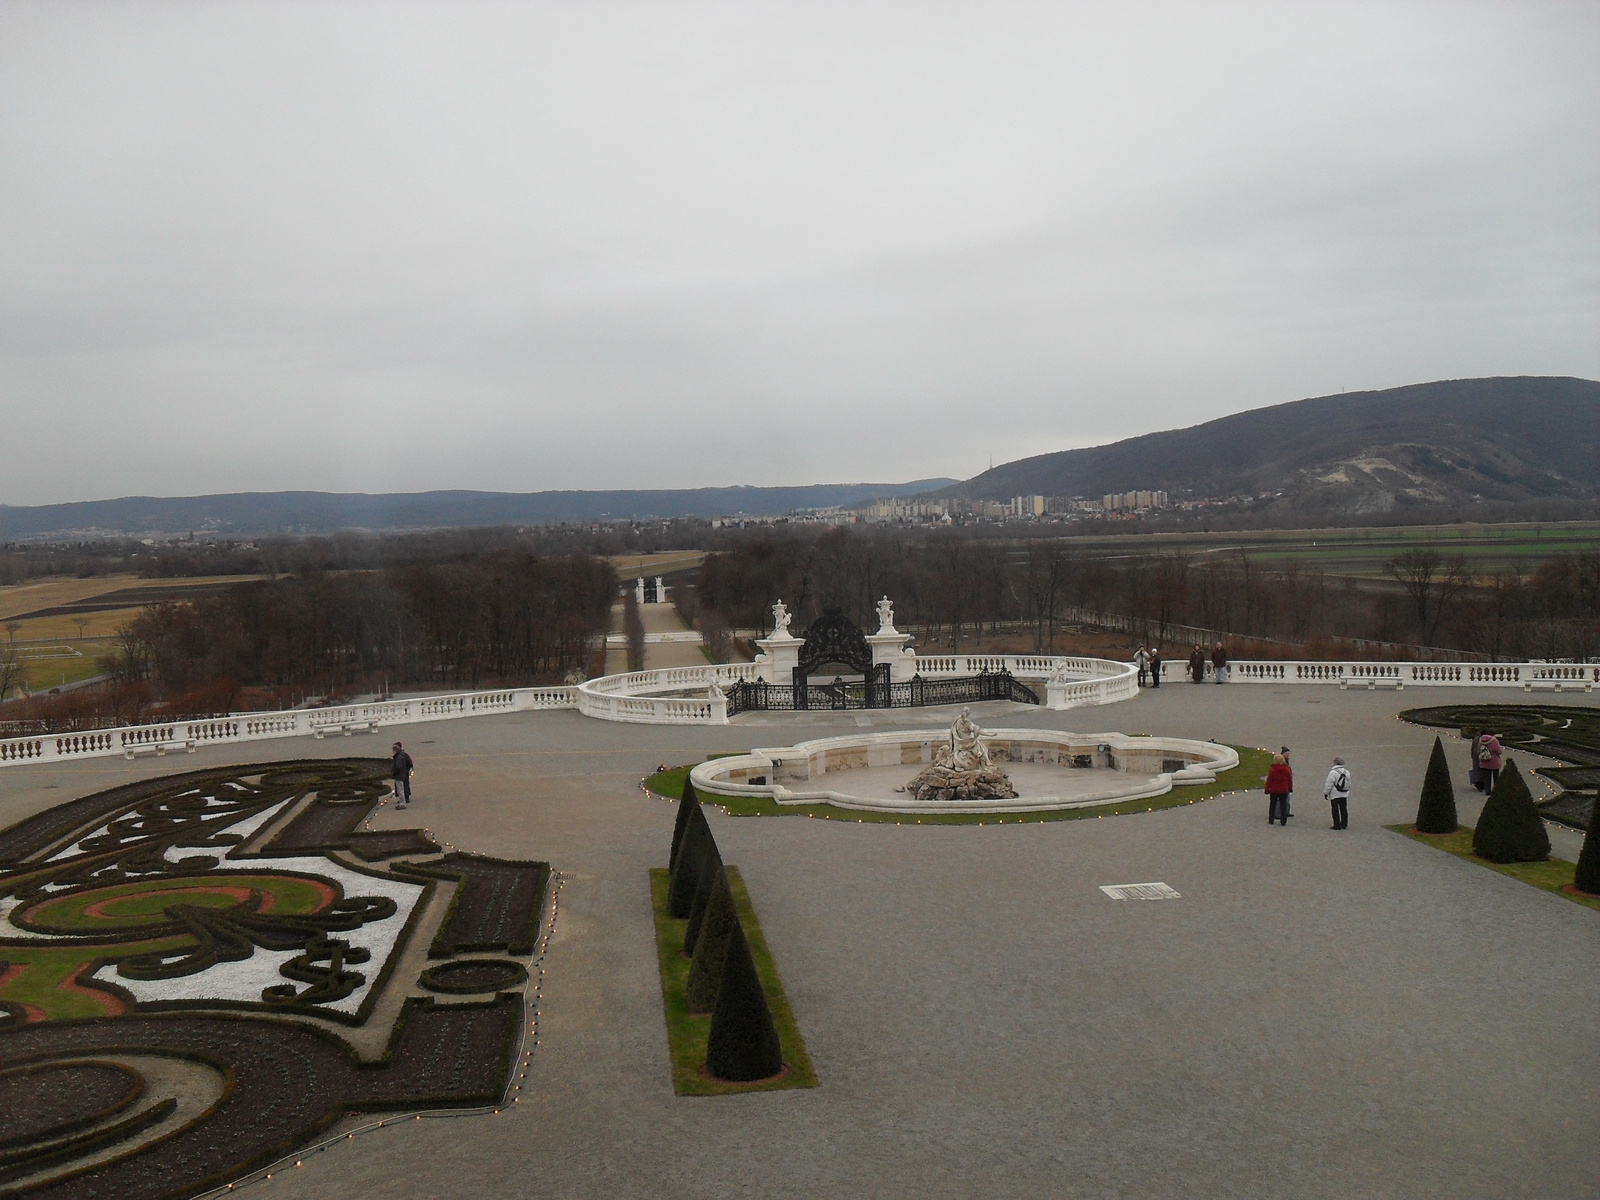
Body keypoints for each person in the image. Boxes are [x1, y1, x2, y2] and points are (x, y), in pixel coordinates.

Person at [1324, 757, 1352, 830]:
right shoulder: (1347, 772)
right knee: (1344, 809)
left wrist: (1326, 793)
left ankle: (1336, 824)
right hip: (1344, 793)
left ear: (1335, 763)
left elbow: (1329, 784)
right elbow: (1349, 782)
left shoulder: (1333, 772)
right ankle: (1344, 824)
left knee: (1335, 809)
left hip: (1335, 794)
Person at [1265, 753, 1292, 825]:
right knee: (1283, 805)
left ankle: (1271, 820)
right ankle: (1283, 821)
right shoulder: (1286, 769)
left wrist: (1267, 789)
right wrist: (1290, 788)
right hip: (1284, 790)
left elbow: (1269, 780)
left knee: (1272, 805)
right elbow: (1289, 779)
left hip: (1274, 790)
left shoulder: (1273, 769)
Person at [391, 741, 415, 810]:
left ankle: (404, 801)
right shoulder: (402, 755)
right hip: (403, 773)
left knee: (402, 787)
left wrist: (394, 773)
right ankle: (404, 799)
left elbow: (399, 767)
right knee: (402, 787)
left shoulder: (400, 757)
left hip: (401, 774)